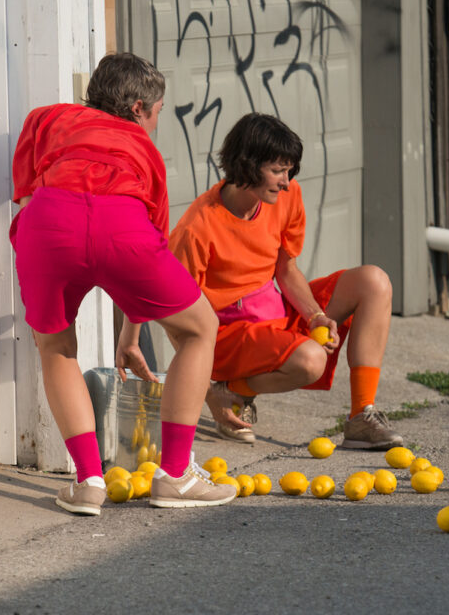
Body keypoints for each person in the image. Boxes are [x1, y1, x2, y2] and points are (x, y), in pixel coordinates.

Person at [10, 52, 236, 515]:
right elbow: (150, 239)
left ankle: (89, 483)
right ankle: (175, 476)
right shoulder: (145, 150)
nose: (156, 123)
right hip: (122, 227)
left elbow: (27, 189)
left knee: (57, 347)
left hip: (49, 224)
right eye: (157, 112)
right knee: (199, 329)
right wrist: (133, 330)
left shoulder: (46, 118)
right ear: (138, 108)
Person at [169, 113, 403, 449]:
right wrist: (203, 385)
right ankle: (230, 389)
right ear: (248, 165)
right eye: (278, 171)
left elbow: (286, 270)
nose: (286, 181)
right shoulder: (198, 226)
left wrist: (314, 316)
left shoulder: (287, 198)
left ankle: (361, 416)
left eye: (289, 171)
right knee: (311, 361)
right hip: (228, 337)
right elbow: (175, 313)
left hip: (275, 313)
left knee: (374, 281)